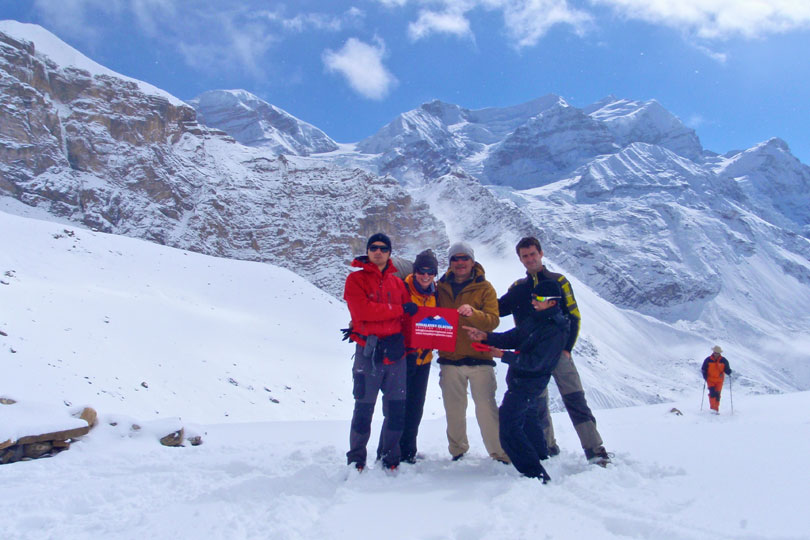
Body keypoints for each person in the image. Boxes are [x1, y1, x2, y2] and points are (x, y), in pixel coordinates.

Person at [498, 236, 611, 466]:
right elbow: (498, 309)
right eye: (525, 256)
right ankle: (547, 446)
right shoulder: (518, 288)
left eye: (532, 254)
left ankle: (594, 449)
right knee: (537, 403)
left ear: (541, 254)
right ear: (520, 259)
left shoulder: (559, 281)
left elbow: (574, 315)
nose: (530, 259)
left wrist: (567, 348)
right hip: (531, 355)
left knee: (575, 399)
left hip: (558, 352)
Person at [464, 280, 569, 483]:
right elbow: (515, 336)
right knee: (529, 419)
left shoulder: (555, 330)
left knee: (509, 424)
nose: (534, 301)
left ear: (553, 303)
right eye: (533, 297)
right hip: (521, 378)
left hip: (530, 382)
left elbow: (536, 363)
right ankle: (540, 456)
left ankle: (534, 473)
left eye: (539, 299)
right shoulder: (537, 318)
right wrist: (486, 336)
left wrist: (502, 355)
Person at [343, 233, 418, 471]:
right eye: (373, 248)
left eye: (383, 248)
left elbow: (408, 321)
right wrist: (398, 309)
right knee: (364, 408)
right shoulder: (355, 280)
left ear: (389, 252)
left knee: (396, 409)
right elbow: (362, 311)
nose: (378, 252)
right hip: (368, 352)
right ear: (367, 251)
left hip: (396, 354)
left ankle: (390, 458)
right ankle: (356, 459)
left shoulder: (398, 284)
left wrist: (411, 349)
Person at [436, 242, 509, 463]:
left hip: (480, 359)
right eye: (455, 259)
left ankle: (498, 452)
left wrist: (473, 313)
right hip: (450, 359)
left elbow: (493, 321)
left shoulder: (485, 288)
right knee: (453, 409)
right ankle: (458, 451)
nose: (460, 263)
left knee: (486, 409)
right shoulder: (440, 287)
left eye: (464, 258)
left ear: (472, 261)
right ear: (450, 263)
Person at [376, 249, 440, 464]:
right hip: (401, 358)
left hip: (424, 360)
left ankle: (408, 452)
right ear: (415, 271)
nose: (425, 276)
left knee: (415, 407)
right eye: (422, 271)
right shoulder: (402, 288)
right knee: (396, 407)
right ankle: (386, 452)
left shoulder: (436, 294)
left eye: (430, 272)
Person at [701, 345, 732, 413]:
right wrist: (705, 376)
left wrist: (729, 372)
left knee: (717, 394)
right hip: (710, 380)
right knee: (712, 393)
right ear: (713, 352)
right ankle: (713, 408)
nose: (716, 354)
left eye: (717, 353)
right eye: (715, 352)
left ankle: (716, 409)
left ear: (719, 353)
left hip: (719, 381)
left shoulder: (724, 360)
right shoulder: (708, 360)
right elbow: (703, 369)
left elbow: (726, 369)